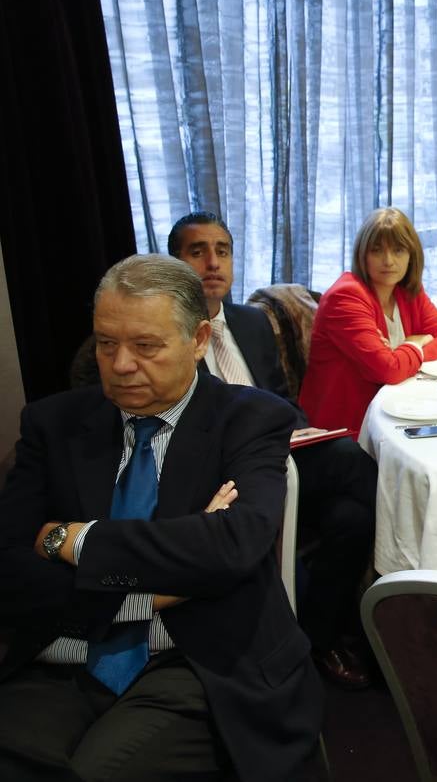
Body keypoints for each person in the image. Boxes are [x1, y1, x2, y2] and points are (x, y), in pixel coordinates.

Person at [0, 255, 322, 781]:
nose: (121, 363)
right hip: (61, 657)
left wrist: (75, 541)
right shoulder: (53, 424)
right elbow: (8, 569)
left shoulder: (250, 419)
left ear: (197, 340)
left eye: (145, 346)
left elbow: (233, 547)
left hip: (196, 659)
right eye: (106, 343)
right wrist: (152, 588)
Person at [168, 212, 377, 689]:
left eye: (222, 250)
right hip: (225, 480)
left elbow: (283, 399)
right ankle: (396, 605)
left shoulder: (251, 322)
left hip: (283, 461)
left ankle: (316, 640)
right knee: (353, 464)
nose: (213, 262)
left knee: (352, 517)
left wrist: (302, 430)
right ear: (175, 263)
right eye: (197, 251)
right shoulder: (170, 337)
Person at [300, 207, 437, 437]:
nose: (388, 261)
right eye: (377, 251)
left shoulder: (407, 292)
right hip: (346, 430)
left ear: (411, 255)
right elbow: (389, 369)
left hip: (399, 412)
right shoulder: (346, 296)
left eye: (398, 250)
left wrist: (401, 353)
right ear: (362, 255)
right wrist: (415, 345)